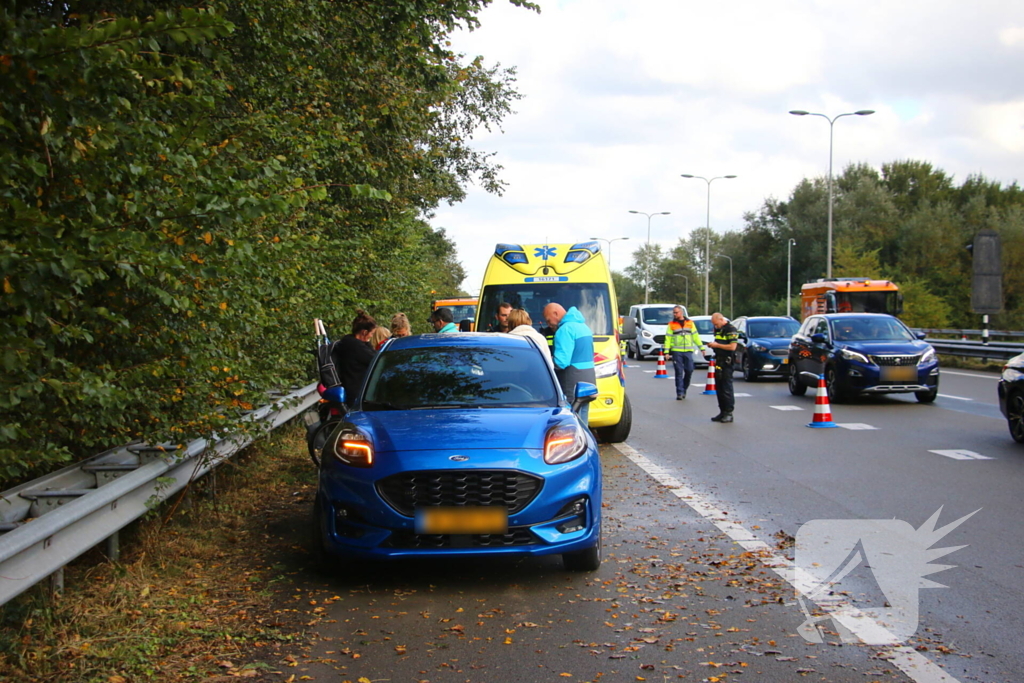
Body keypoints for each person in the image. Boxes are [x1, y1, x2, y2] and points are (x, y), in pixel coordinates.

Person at [543, 302, 596, 424]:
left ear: (555, 314)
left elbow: (561, 362)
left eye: (547, 320)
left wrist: (545, 366)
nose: (548, 324)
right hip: (588, 382)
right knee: (583, 423)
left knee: (572, 424)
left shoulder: (565, 330)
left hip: (572, 383)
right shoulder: (583, 327)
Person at [663, 305, 706, 400]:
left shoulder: (690, 323)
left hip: (688, 351)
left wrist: (701, 348)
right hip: (676, 351)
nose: (674, 314)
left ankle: (684, 388)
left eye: (676, 312)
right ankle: (680, 392)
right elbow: (668, 339)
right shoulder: (671, 324)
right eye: (673, 312)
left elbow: (695, 337)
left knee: (689, 370)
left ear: (681, 313)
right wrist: (666, 352)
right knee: (678, 372)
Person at [337, 310, 377, 403]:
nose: (371, 336)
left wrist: (366, 342)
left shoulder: (350, 343)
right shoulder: (356, 347)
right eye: (371, 333)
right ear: (364, 332)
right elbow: (376, 359)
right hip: (358, 393)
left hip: (356, 391)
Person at [707, 312, 739, 423]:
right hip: (719, 360)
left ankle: (729, 413)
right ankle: (722, 412)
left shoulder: (730, 329)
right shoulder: (718, 329)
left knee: (726, 388)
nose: (715, 327)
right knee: (719, 388)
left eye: (716, 324)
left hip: (727, 362)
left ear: (721, 319)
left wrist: (717, 345)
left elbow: (732, 347)